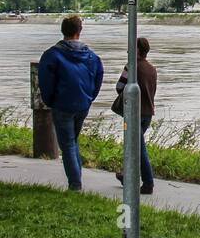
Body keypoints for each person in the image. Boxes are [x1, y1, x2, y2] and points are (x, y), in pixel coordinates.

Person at [37, 14, 104, 191]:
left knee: (67, 145)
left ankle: (75, 185)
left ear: (62, 31)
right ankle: (76, 179)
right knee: (72, 141)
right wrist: (89, 98)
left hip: (62, 105)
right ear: (79, 32)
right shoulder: (91, 56)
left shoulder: (52, 55)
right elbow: (98, 77)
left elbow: (44, 81)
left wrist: (50, 100)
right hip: (83, 105)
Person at [114, 36, 158, 194]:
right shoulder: (152, 69)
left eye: (131, 48)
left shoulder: (131, 67)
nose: (127, 51)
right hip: (148, 113)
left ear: (137, 50)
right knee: (133, 146)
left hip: (134, 113)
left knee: (138, 148)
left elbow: (120, 87)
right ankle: (127, 176)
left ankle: (148, 183)